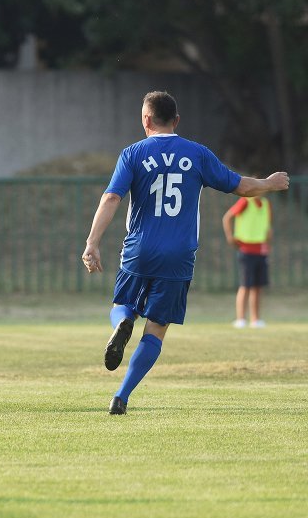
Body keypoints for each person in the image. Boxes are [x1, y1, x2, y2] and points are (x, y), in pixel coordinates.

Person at [81, 91, 289, 415]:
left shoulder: (132, 154)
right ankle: (121, 396)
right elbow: (242, 187)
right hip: (179, 255)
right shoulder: (197, 154)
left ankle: (122, 324)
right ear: (176, 121)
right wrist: (270, 182)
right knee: (157, 327)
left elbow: (111, 199)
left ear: (145, 120)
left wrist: (92, 242)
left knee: (123, 305)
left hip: (140, 249)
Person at [222, 196, 272, 328]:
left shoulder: (266, 203)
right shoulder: (245, 201)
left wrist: (268, 240)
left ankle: (255, 319)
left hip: (261, 249)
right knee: (245, 285)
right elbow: (227, 217)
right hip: (246, 249)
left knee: (258, 286)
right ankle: (241, 319)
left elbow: (267, 226)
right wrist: (230, 236)